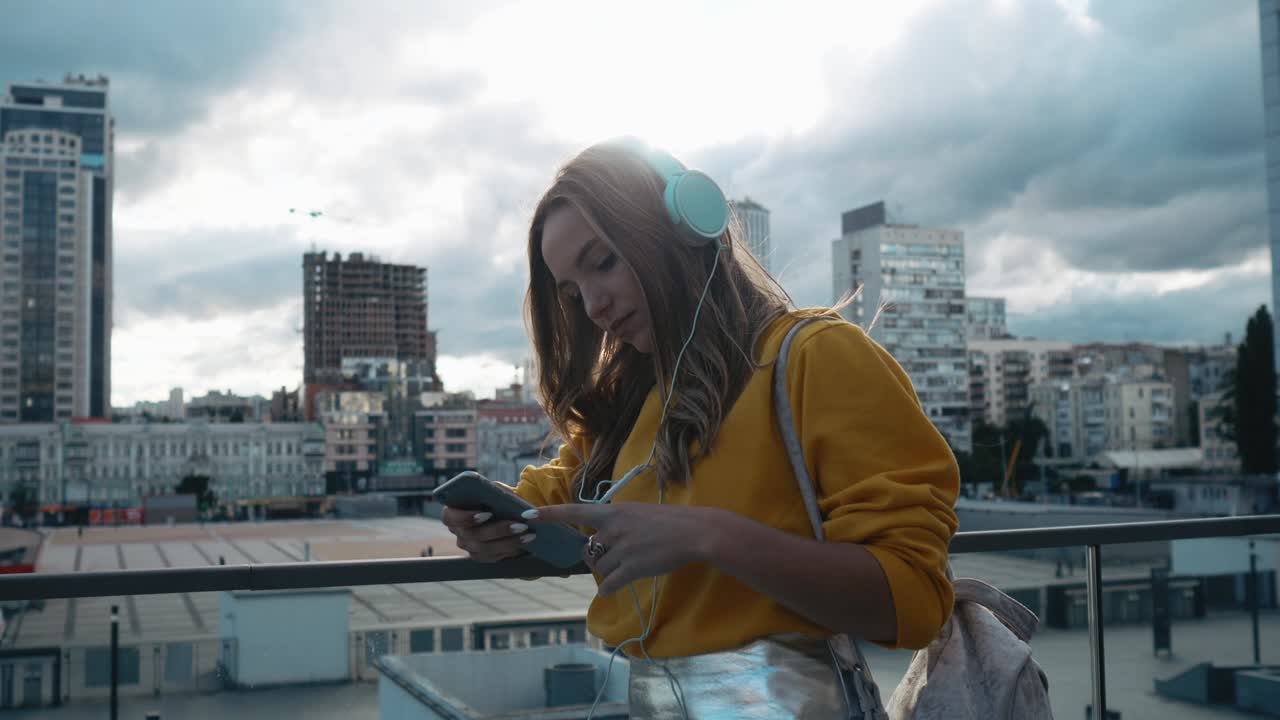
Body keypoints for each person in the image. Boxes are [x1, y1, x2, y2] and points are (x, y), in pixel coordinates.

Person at [441, 139, 959, 714]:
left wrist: (704, 536)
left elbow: (913, 598)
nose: (592, 305)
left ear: (684, 228)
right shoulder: (630, 406)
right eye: (571, 292)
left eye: (603, 262)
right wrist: (492, 526)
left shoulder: (818, 357)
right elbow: (552, 496)